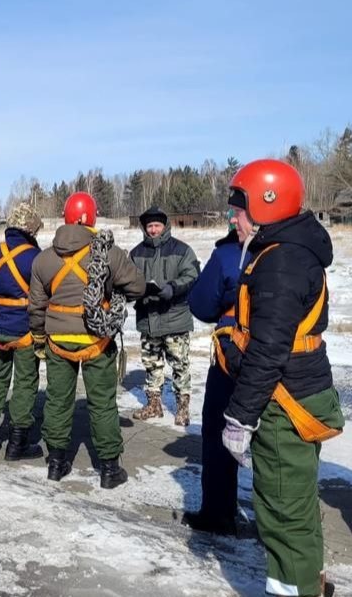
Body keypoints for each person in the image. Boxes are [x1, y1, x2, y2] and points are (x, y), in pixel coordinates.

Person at [218, 160, 343, 597]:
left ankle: (295, 588)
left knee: (283, 509)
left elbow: (270, 350)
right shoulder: (287, 251)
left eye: (240, 209)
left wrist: (240, 417)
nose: (234, 218)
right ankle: (310, 582)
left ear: (268, 205)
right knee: (296, 504)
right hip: (295, 389)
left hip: (283, 400)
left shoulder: (280, 262)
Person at [29, 192, 145, 488]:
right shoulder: (109, 253)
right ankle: (108, 469)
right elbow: (138, 287)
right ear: (89, 218)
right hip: (96, 340)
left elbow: (37, 306)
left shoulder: (43, 259)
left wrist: (39, 339)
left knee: (57, 401)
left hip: (57, 340)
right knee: (102, 404)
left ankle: (55, 463)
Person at [181, 210, 247, 536]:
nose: (234, 221)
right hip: (290, 362)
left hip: (233, 359)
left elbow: (203, 304)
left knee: (219, 432)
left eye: (239, 213)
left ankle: (218, 513)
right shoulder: (301, 251)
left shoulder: (228, 254)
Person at [0, 201, 43, 460]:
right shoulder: (35, 258)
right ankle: (17, 444)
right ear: (30, 229)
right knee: (25, 382)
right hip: (25, 331)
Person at [129, 206, 200, 425]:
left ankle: (182, 408)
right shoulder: (136, 253)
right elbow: (128, 279)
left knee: (180, 365)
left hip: (175, 318)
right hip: (148, 319)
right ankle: (153, 405)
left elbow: (192, 274)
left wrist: (173, 287)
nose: (153, 230)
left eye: (157, 225)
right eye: (149, 226)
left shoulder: (182, 250)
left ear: (165, 226)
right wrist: (135, 292)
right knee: (152, 364)